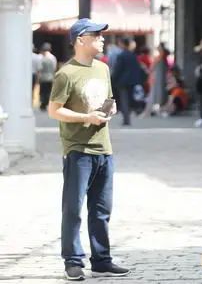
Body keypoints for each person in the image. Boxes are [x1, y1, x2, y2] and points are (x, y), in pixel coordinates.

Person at [46, 18, 130, 280]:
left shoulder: (103, 69)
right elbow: (54, 110)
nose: (102, 39)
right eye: (96, 35)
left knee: (102, 209)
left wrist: (110, 108)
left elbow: (108, 100)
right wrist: (85, 118)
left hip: (104, 147)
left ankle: (102, 259)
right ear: (81, 40)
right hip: (78, 150)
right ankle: (72, 261)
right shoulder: (66, 73)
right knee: (73, 208)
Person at [110, 38, 145, 126]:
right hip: (132, 81)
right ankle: (129, 116)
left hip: (122, 82)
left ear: (123, 44)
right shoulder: (133, 55)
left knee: (124, 100)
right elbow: (137, 68)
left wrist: (112, 79)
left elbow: (118, 69)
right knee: (129, 99)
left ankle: (126, 119)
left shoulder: (121, 55)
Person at [39, 42, 58, 112]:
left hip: (43, 77)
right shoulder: (53, 58)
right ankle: (47, 104)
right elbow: (54, 68)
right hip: (50, 77)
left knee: (42, 91)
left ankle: (43, 103)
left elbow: (39, 68)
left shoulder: (41, 57)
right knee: (49, 91)